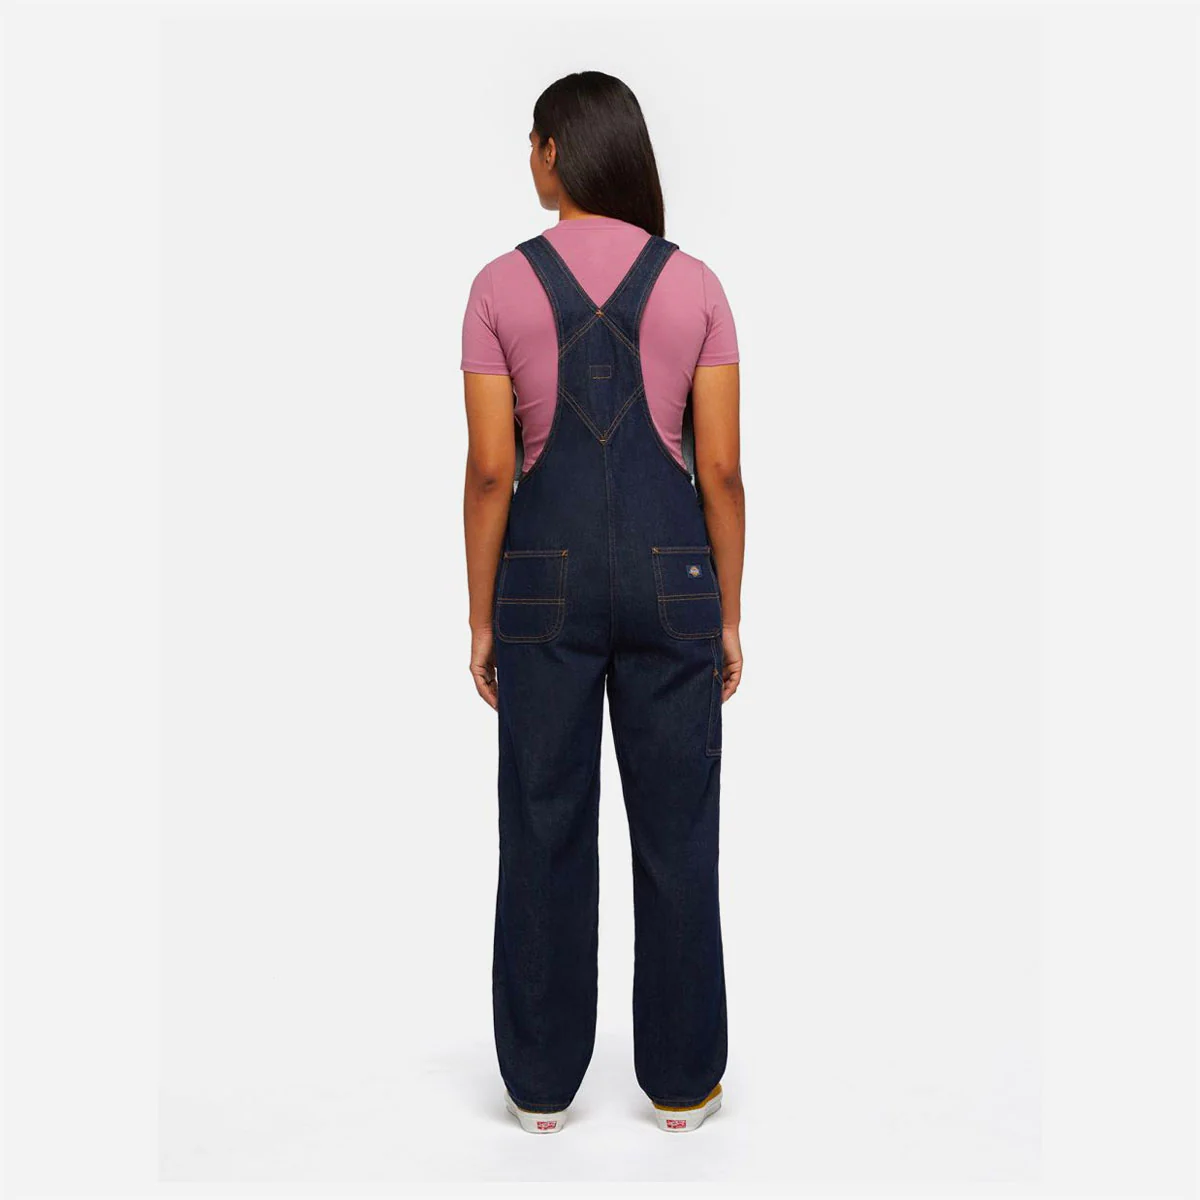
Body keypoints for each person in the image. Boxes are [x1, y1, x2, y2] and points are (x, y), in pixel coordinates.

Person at [460, 70, 745, 1135]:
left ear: (555, 152)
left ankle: (539, 1091)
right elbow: (721, 470)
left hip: (543, 585)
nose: (528, 158)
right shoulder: (696, 285)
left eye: (532, 142)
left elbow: (493, 470)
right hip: (675, 581)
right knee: (679, 833)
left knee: (543, 827)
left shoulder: (498, 288)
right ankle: (681, 1087)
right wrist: (725, 613)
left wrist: (482, 617)